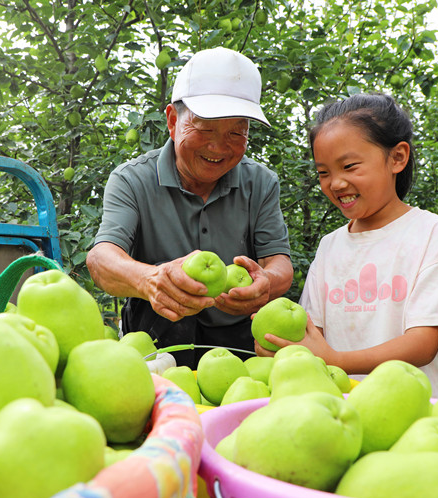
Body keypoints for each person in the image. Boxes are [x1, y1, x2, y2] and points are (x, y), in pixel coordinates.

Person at [256, 93, 438, 397]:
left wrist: (334, 360)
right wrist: (285, 345)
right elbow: (313, 334)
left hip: (417, 412)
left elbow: (423, 344)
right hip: (340, 411)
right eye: (323, 173)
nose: (335, 183)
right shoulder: (330, 247)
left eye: (349, 166)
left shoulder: (431, 234)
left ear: (397, 158)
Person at [86, 47, 294, 368]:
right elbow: (101, 259)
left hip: (239, 346)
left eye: (236, 132)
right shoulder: (132, 180)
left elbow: (279, 263)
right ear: (172, 120)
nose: (218, 146)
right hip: (153, 339)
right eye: (205, 128)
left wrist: (265, 281)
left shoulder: (261, 183)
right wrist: (150, 279)